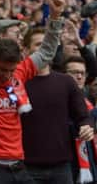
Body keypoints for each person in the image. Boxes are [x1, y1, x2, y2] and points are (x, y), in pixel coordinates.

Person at [0, 0, 66, 184]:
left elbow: (46, 52)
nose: (7, 75)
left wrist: (55, 17)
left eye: (11, 70)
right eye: (3, 69)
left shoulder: (19, 72)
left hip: (19, 164)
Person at [21, 26, 93, 184]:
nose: (45, 49)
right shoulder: (17, 82)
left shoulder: (66, 81)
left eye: (48, 44)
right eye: (39, 44)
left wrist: (86, 127)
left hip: (62, 167)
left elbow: (83, 116)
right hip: (26, 167)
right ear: (26, 49)